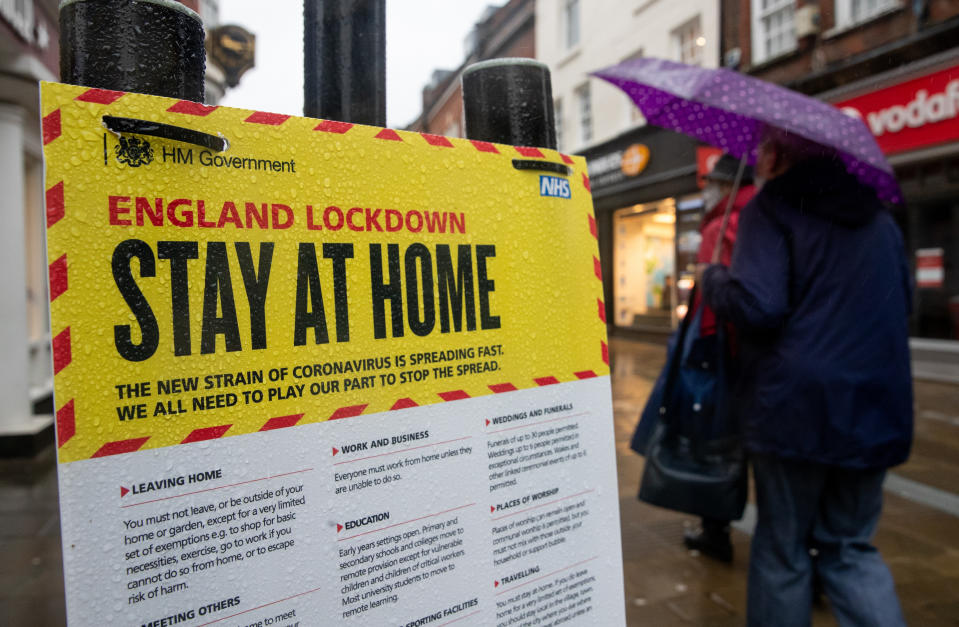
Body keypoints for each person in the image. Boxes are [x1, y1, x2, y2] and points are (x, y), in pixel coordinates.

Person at [699, 128, 913, 627]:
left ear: (777, 156)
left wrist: (714, 282)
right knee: (850, 548)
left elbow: (760, 305)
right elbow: (901, 305)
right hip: (876, 405)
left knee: (784, 548)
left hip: (794, 409)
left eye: (764, 151)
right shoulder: (880, 220)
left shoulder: (770, 209)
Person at [682, 153, 756, 563]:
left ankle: (715, 531)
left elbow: (713, 301)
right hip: (754, 352)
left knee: (714, 443)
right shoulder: (763, 215)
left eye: (713, 181)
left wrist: (701, 347)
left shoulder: (722, 222)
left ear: (726, 185)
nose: (707, 186)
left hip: (720, 350)